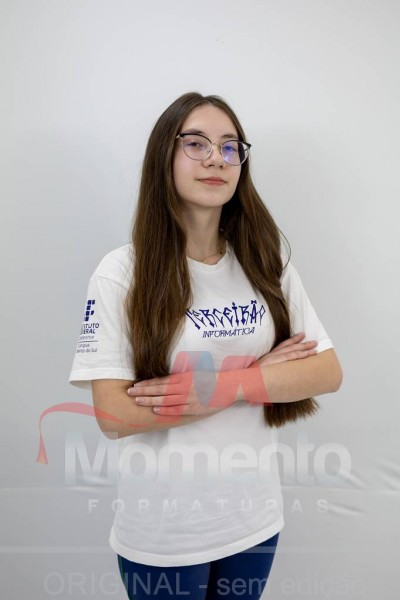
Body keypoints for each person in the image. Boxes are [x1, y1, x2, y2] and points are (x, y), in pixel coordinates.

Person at [69, 92, 343, 599]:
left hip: (254, 522)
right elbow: (113, 414)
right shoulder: (121, 273)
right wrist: (262, 375)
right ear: (164, 156)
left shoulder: (265, 261)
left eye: (230, 146)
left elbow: (325, 371)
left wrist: (224, 386)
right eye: (195, 143)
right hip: (165, 533)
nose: (216, 158)